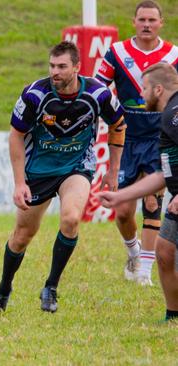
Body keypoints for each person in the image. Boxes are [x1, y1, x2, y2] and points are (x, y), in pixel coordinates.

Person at [0, 41, 126, 313]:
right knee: (22, 236)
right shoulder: (34, 95)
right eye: (52, 66)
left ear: (77, 67)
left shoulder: (98, 94)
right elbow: (16, 135)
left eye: (62, 66)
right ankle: (4, 288)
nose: (55, 72)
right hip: (38, 171)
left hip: (76, 168)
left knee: (71, 218)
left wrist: (112, 171)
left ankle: (51, 287)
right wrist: (19, 183)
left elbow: (118, 124)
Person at [96, 0, 178, 286]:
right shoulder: (116, 52)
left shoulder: (173, 55)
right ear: (134, 22)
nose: (146, 25)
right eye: (141, 19)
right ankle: (133, 251)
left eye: (152, 20)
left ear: (161, 23)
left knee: (153, 200)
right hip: (126, 138)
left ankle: (144, 270)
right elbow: (98, 89)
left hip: (160, 136)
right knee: (122, 211)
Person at [98, 63, 178, 322]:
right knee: (164, 251)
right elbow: (160, 175)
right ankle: (172, 316)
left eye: (144, 88)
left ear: (157, 89)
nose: (140, 95)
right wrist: (121, 196)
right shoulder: (167, 117)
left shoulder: (175, 114)